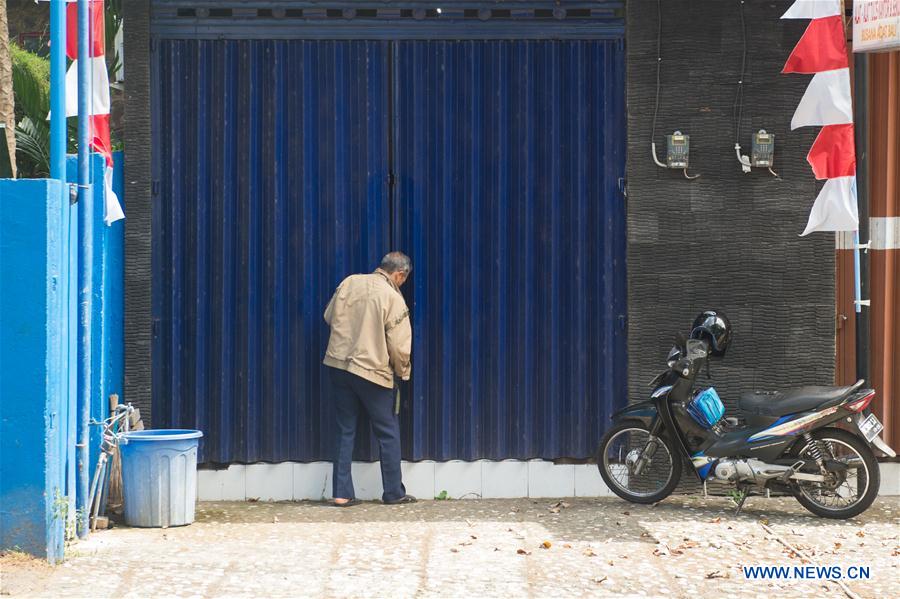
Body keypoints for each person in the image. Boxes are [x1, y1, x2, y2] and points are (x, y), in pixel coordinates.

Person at [323, 252, 415, 506]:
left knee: (345, 429)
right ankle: (394, 492)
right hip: (372, 372)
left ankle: (341, 493)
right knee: (387, 431)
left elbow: (329, 317)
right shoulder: (392, 296)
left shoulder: (349, 282)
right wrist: (402, 371)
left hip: (339, 366)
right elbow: (399, 345)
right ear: (399, 274)